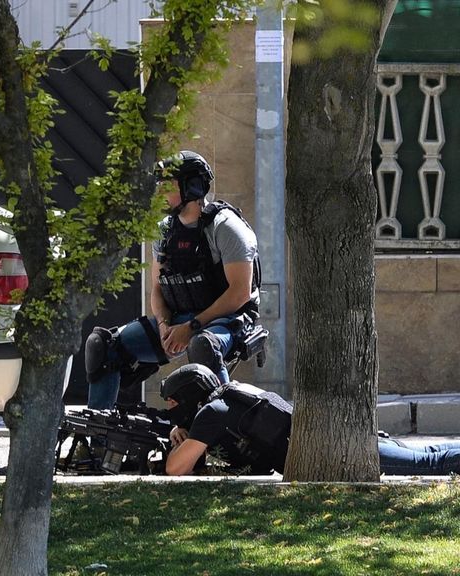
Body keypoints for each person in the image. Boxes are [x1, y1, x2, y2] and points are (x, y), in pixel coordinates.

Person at [85, 150, 261, 410]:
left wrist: (191, 327)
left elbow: (239, 294)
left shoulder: (226, 227)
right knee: (102, 346)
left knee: (203, 346)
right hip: (178, 319)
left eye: (167, 185)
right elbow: (157, 288)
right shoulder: (164, 230)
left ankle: (221, 436)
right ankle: (100, 443)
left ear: (191, 187)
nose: (159, 192)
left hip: (228, 321)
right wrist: (166, 324)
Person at [161, 363, 460, 476]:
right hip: (339, 440)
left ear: (189, 396)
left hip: (340, 454)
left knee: (431, 465)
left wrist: (183, 438)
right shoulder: (226, 401)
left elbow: (176, 469)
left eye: (173, 402)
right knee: (430, 454)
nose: (172, 409)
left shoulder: (212, 413)